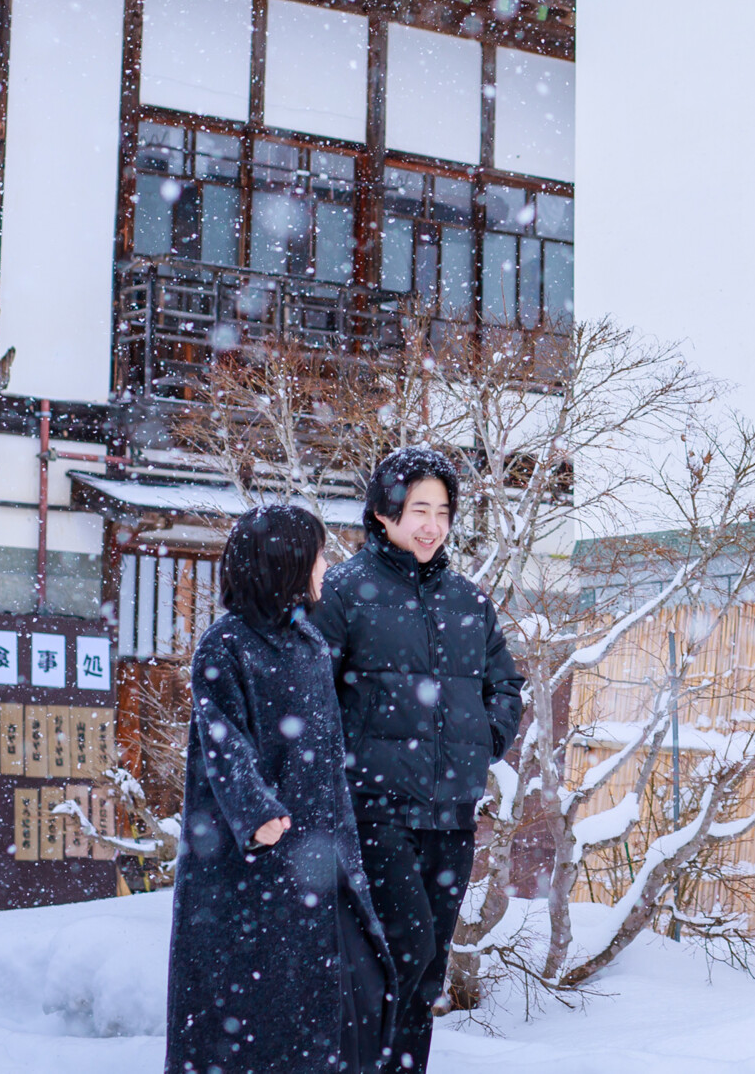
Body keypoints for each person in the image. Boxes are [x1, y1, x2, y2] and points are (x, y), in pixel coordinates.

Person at [315, 448, 524, 1073]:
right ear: (384, 514)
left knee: (428, 966)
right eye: (417, 509)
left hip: (453, 812)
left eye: (442, 511)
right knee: (401, 948)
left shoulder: (468, 600)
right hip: (375, 807)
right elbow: (313, 689)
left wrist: (485, 739)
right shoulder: (346, 591)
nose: (431, 524)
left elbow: (505, 684)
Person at [166, 504, 393, 1074]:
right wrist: (256, 811)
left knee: (353, 997)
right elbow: (222, 740)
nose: (325, 565)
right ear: (285, 563)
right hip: (249, 869)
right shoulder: (227, 644)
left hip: (320, 857)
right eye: (317, 554)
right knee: (251, 1018)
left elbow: (322, 752)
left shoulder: (308, 641)